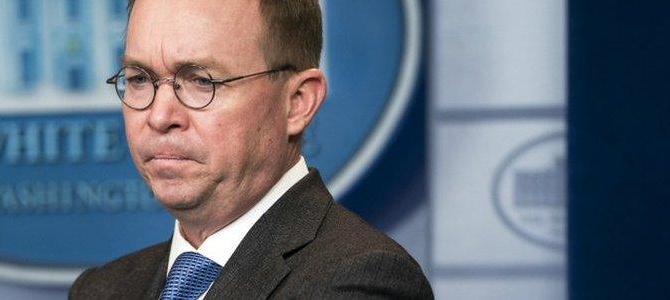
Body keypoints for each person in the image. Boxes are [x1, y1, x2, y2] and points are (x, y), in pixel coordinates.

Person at [69, 0, 432, 299]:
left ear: (298, 103)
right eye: (139, 79)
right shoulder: (101, 290)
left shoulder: (361, 281)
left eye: (200, 81)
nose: (160, 116)